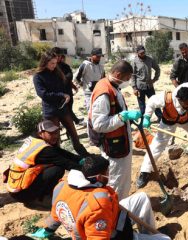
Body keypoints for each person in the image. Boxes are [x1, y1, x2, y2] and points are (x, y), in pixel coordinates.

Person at [30, 155, 171, 240]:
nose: (109, 175)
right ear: (98, 177)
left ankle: (148, 234)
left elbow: (57, 213)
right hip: (115, 234)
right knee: (165, 239)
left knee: (141, 198)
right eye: (107, 172)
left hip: (111, 216)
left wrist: (47, 230)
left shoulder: (62, 186)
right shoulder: (97, 203)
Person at [89, 60, 142, 199]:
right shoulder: (104, 93)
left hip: (120, 141)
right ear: (118, 74)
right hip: (113, 146)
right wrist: (122, 117)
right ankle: (117, 210)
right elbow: (99, 124)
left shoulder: (113, 86)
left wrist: (127, 117)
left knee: (122, 179)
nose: (128, 82)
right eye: (127, 78)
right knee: (116, 181)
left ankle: (120, 205)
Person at [6, 120, 83, 209]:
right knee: (57, 169)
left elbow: (61, 152)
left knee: (53, 166)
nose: (56, 136)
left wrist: (81, 159)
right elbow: (68, 164)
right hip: (22, 193)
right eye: (51, 133)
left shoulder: (34, 140)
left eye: (56, 132)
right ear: (41, 133)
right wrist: (90, 169)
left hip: (17, 185)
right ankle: (41, 198)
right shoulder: (44, 150)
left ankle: (40, 194)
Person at [33, 51, 89, 157]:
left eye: (55, 63)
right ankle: (59, 160)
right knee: (54, 138)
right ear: (45, 63)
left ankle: (85, 155)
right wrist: (61, 95)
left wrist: (66, 96)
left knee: (73, 133)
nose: (55, 65)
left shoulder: (57, 71)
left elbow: (63, 85)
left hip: (63, 108)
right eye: (52, 63)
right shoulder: (38, 76)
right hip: (50, 111)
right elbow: (43, 94)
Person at [51, 47, 84, 126]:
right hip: (57, 95)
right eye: (56, 56)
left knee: (68, 110)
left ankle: (73, 124)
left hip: (68, 92)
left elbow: (69, 77)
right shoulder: (51, 67)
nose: (58, 58)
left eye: (59, 56)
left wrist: (72, 86)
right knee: (64, 112)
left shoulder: (65, 66)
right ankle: (75, 122)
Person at [131, 45, 162, 121]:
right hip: (139, 87)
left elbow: (157, 69)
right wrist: (134, 88)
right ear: (137, 53)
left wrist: (154, 79)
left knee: (155, 102)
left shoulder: (150, 60)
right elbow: (132, 75)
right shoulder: (134, 62)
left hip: (149, 86)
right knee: (142, 105)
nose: (142, 54)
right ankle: (143, 120)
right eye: (141, 53)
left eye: (143, 52)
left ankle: (160, 117)